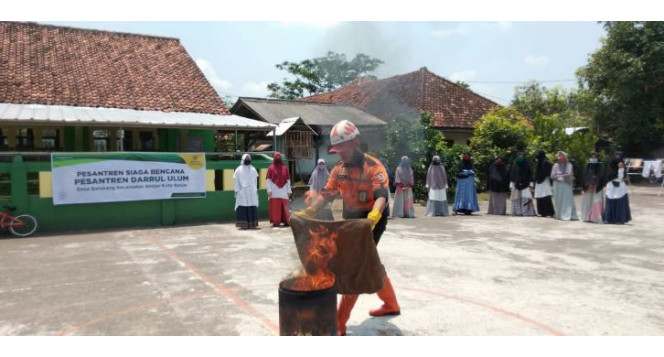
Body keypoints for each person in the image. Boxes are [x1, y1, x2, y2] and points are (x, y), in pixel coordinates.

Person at [297, 119, 400, 336]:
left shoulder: (374, 167)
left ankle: (339, 323)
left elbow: (381, 195)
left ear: (356, 142)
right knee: (370, 263)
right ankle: (391, 304)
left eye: (343, 148)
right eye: (337, 149)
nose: (340, 154)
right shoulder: (338, 170)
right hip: (351, 219)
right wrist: (310, 212)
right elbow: (326, 194)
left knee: (354, 267)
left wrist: (373, 216)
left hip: (372, 219)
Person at [604, 153, 632, 224]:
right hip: (611, 186)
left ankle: (619, 219)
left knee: (619, 202)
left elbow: (621, 177)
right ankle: (609, 218)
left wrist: (621, 169)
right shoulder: (609, 169)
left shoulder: (622, 168)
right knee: (610, 202)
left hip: (620, 188)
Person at [550, 151, 578, 221]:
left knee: (567, 200)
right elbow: (552, 175)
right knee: (558, 199)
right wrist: (558, 177)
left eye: (562, 156)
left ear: (565, 157)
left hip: (566, 184)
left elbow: (568, 173)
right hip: (557, 184)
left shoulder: (569, 165)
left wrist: (560, 176)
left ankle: (568, 215)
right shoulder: (555, 165)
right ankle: (559, 215)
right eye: (559, 156)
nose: (560, 157)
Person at [233, 154, 259, 230]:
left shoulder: (253, 169)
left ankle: (252, 224)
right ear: (243, 159)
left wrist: (255, 190)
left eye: (248, 158)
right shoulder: (238, 170)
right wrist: (238, 191)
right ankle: (243, 224)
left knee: (252, 206)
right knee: (242, 206)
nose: (247, 160)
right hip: (242, 192)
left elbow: (255, 181)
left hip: (251, 192)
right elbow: (236, 181)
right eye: (246, 158)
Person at [266, 152, 292, 227]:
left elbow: (288, 180)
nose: (278, 159)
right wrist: (269, 190)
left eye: (279, 157)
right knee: (275, 208)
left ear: (281, 158)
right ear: (274, 158)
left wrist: (289, 190)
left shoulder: (285, 168)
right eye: (276, 157)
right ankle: (276, 222)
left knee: (285, 207)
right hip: (274, 191)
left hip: (284, 191)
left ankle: (286, 221)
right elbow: (268, 180)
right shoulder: (271, 168)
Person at [581, 152, 606, 223]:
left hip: (597, 187)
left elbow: (602, 176)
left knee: (596, 201)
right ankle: (586, 217)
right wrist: (588, 185)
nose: (593, 159)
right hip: (587, 187)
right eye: (592, 157)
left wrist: (595, 184)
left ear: (598, 158)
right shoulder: (587, 165)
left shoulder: (601, 166)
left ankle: (596, 218)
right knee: (587, 202)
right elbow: (584, 176)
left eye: (595, 157)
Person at [509, 152, 536, 216]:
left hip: (526, 185)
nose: (520, 157)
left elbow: (530, 175)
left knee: (526, 198)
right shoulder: (514, 165)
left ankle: (526, 212)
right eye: (519, 156)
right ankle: (518, 212)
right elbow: (512, 175)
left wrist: (531, 185)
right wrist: (511, 185)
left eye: (521, 156)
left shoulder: (527, 165)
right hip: (515, 185)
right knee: (516, 198)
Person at [534, 150, 555, 218]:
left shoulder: (546, 162)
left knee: (546, 196)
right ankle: (541, 212)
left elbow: (550, 170)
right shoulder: (539, 162)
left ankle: (548, 212)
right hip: (538, 182)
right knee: (539, 196)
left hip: (545, 181)